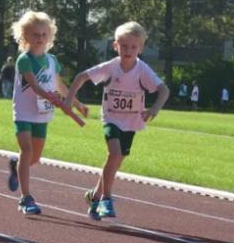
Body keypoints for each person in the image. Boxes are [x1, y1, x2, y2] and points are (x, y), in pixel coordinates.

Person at [64, 21, 169, 220]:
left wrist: (154, 109)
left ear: (141, 48)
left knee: (115, 161)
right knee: (114, 153)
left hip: (131, 123)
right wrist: (69, 100)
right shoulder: (111, 67)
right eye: (124, 46)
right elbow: (81, 77)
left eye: (133, 47)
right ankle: (106, 199)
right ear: (115, 46)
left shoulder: (143, 70)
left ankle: (94, 196)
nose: (128, 50)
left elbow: (164, 90)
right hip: (111, 118)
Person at [6, 11, 87, 215]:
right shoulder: (24, 60)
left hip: (42, 115)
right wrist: (50, 97)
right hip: (24, 113)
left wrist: (76, 103)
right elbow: (33, 85)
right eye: (35, 34)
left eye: (43, 34)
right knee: (26, 151)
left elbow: (60, 85)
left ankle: (16, 167)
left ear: (49, 36)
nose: (40, 38)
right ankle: (26, 198)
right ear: (25, 36)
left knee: (35, 157)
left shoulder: (52, 61)